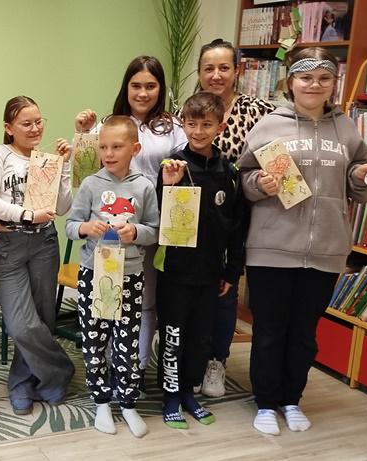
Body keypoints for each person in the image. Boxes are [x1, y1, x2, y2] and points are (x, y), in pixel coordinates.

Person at [237, 47, 367, 435]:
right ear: (291, 81)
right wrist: (259, 183)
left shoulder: (346, 128)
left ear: (333, 83)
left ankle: (292, 400)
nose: (314, 85)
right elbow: (243, 178)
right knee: (269, 331)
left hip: (326, 249)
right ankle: (265, 403)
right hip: (272, 249)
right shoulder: (269, 126)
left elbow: (356, 183)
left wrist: (362, 176)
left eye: (324, 78)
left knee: (304, 334)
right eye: (306, 77)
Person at [74, 56, 186, 388]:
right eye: (136, 85)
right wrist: (82, 133)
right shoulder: (109, 124)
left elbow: (186, 168)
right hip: (111, 231)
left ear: (161, 89)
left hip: (151, 223)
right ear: (126, 87)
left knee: (144, 299)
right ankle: (111, 362)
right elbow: (85, 170)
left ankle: (135, 366)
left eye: (151, 86)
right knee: (107, 296)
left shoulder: (172, 127)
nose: (143, 93)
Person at [154, 92, 247, 430]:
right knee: (173, 335)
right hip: (175, 271)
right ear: (183, 124)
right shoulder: (173, 166)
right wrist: (168, 186)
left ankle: (188, 392)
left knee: (200, 338)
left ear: (220, 126)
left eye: (206, 124)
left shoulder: (229, 172)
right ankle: (170, 396)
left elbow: (237, 227)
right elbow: (159, 216)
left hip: (211, 273)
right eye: (191, 124)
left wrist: (231, 271)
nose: (198, 131)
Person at [0, 96, 75, 416]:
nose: (35, 128)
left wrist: (65, 165)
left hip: (44, 243)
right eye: (26, 123)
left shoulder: (45, 159)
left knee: (42, 318)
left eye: (38, 121)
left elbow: (62, 207)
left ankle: (24, 383)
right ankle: (60, 371)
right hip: (8, 245)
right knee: (21, 325)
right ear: (9, 128)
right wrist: (26, 214)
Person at [65, 116, 159, 438]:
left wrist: (136, 231)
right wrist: (85, 227)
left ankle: (128, 402)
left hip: (130, 275)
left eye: (117, 146)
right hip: (95, 274)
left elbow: (154, 230)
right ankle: (101, 401)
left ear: (135, 149)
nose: (108, 153)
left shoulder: (144, 186)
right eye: (103, 146)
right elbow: (70, 226)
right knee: (94, 339)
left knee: (127, 341)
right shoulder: (91, 184)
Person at [192, 38, 275, 398]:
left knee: (225, 290)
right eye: (208, 68)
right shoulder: (190, 109)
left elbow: (277, 156)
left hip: (240, 216)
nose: (216, 75)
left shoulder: (258, 111)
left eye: (223, 67)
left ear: (237, 70)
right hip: (194, 220)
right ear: (199, 72)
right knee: (195, 295)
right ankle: (192, 357)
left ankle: (217, 361)